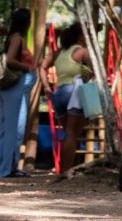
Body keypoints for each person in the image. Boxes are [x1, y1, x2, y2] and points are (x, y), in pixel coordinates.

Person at [39, 22, 93, 174]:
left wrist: (46, 87)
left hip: (58, 94)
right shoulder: (82, 52)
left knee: (69, 133)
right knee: (71, 133)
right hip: (74, 93)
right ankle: (65, 170)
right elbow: (94, 71)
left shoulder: (57, 53)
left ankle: (64, 169)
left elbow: (42, 66)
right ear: (81, 36)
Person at [0, 8, 37, 177]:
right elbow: (10, 59)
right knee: (12, 129)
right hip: (14, 86)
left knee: (4, 129)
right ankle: (7, 169)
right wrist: (28, 67)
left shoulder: (11, 37)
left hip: (7, 88)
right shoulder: (17, 38)